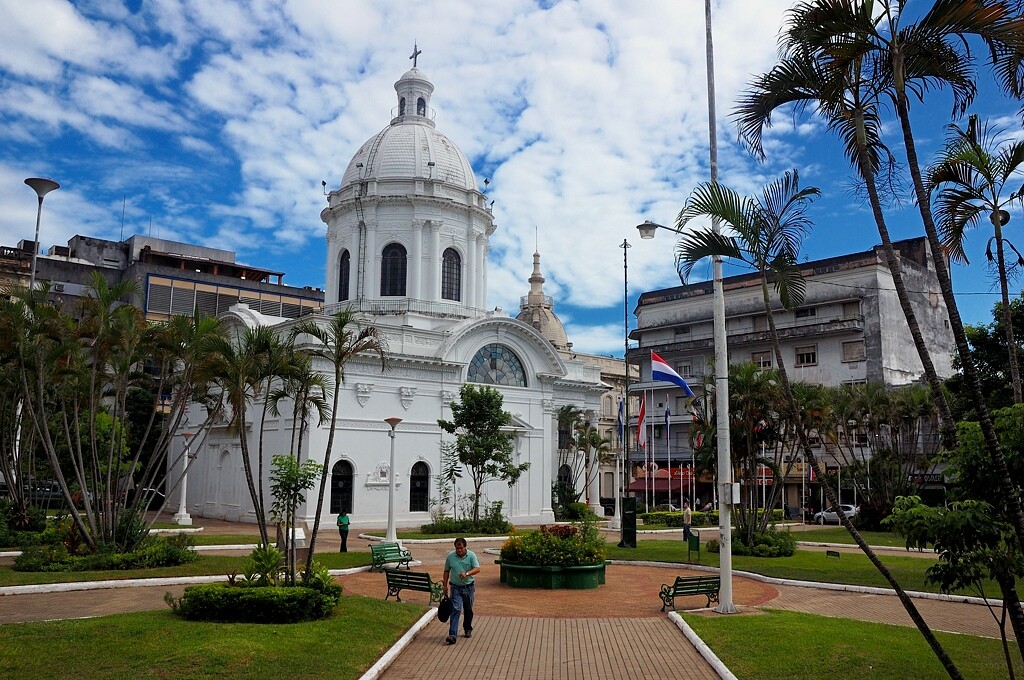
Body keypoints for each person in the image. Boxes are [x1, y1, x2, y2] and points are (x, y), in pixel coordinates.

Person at [442, 537, 480, 645]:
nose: (459, 550)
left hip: (468, 587)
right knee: (456, 609)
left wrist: (467, 574)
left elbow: (477, 568)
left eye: (461, 548)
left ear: (465, 547)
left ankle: (467, 628)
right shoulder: (450, 557)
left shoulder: (471, 556)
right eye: (457, 548)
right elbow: (446, 571)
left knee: (468, 610)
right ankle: (452, 634)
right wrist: (445, 586)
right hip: (455, 587)